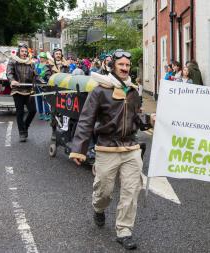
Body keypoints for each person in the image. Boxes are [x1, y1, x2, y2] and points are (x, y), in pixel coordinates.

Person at [69, 49, 153, 250]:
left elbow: (135, 116)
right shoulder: (100, 90)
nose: (125, 68)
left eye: (127, 65)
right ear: (113, 67)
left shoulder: (132, 90)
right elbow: (86, 120)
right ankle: (98, 208)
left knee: (132, 190)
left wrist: (149, 119)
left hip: (130, 146)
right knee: (104, 191)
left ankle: (124, 231)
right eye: (121, 65)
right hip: (107, 147)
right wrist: (79, 148)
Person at [7, 43, 37, 142]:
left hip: (29, 90)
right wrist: (12, 81)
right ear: (19, 52)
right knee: (20, 112)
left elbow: (35, 75)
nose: (24, 53)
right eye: (22, 51)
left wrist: (44, 81)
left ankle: (25, 126)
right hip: (17, 90)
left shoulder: (31, 62)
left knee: (32, 110)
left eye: (25, 51)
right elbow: (9, 73)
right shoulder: (13, 60)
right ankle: (22, 133)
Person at [35, 52, 52, 121]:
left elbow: (48, 75)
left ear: (45, 58)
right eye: (41, 57)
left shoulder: (47, 66)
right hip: (37, 85)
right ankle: (41, 113)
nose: (41, 59)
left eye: (43, 57)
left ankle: (47, 114)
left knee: (45, 100)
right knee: (39, 99)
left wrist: (47, 81)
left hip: (45, 85)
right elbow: (35, 74)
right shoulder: (36, 65)